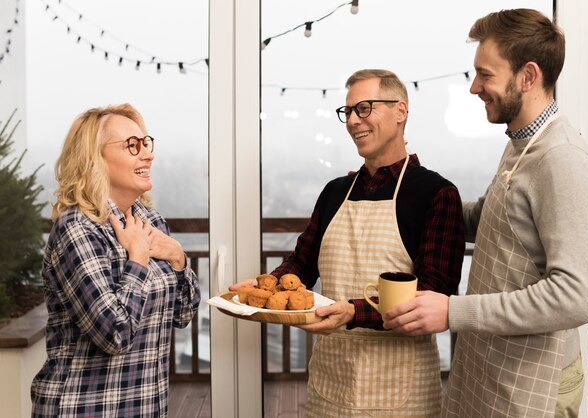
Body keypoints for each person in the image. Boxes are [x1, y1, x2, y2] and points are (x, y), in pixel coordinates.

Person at [383, 9, 588, 418]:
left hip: (535, 382)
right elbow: (488, 219)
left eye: (485, 75)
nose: (474, 88)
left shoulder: (563, 161)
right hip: (497, 369)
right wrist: (406, 194)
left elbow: (575, 299)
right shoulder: (521, 145)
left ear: (528, 76)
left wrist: (452, 311)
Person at [233, 69, 465, 416]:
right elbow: (302, 263)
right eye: (348, 112)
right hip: (331, 385)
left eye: (365, 108)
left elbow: (432, 297)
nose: (353, 121)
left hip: (401, 393)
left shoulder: (436, 194)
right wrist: (266, 287)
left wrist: (351, 311)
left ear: (401, 111)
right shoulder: (335, 192)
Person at [30, 104, 201, 417]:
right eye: (131, 145)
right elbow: (114, 334)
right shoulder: (77, 229)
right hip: (82, 408)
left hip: (145, 406)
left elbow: (183, 315)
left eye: (146, 143)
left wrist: (179, 258)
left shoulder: (150, 220)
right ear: (94, 158)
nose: (147, 154)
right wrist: (137, 260)